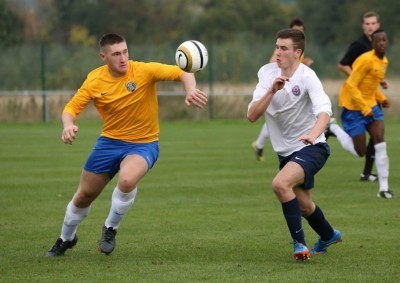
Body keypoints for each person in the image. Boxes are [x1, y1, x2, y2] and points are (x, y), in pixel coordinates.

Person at [45, 33, 208, 257]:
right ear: (103, 57)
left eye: (125, 52)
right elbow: (70, 108)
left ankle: (110, 227)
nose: (123, 58)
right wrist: (67, 125)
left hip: (143, 144)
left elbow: (182, 71)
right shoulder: (94, 80)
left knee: (127, 179)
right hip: (109, 143)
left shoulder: (142, 71)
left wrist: (189, 89)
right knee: (84, 195)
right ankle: (65, 238)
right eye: (116, 54)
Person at [247, 29, 341, 261]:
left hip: (313, 147)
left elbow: (324, 111)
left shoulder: (308, 76)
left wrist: (314, 134)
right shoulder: (266, 73)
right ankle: (329, 235)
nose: (278, 53)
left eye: (284, 48)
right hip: (286, 153)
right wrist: (272, 90)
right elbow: (252, 115)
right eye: (277, 47)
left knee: (280, 184)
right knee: (305, 206)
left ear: (298, 52)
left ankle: (300, 245)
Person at [327, 11, 384, 182]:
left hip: (372, 97)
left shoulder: (378, 44)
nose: (370, 27)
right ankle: (334, 129)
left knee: (377, 138)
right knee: (361, 148)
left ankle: (367, 173)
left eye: (373, 23)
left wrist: (381, 82)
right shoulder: (359, 44)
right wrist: (355, 79)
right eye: (367, 24)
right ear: (363, 26)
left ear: (378, 25)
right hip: (356, 100)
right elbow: (342, 64)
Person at [338, 29, 394, 199]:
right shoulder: (365, 61)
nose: (382, 43)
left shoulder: (384, 61)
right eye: (378, 41)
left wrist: (382, 98)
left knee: (380, 144)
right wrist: (364, 108)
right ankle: (334, 129)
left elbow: (370, 86)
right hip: (353, 107)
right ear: (372, 44)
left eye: (384, 40)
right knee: (360, 151)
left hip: (371, 106)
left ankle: (383, 189)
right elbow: (352, 85)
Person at [252, 18, 313, 161]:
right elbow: (273, 63)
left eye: (301, 29)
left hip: (289, 84)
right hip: (279, 85)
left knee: (278, 119)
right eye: (296, 29)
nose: (299, 32)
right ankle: (259, 144)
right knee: (277, 117)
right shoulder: (283, 47)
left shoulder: (298, 48)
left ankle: (259, 144)